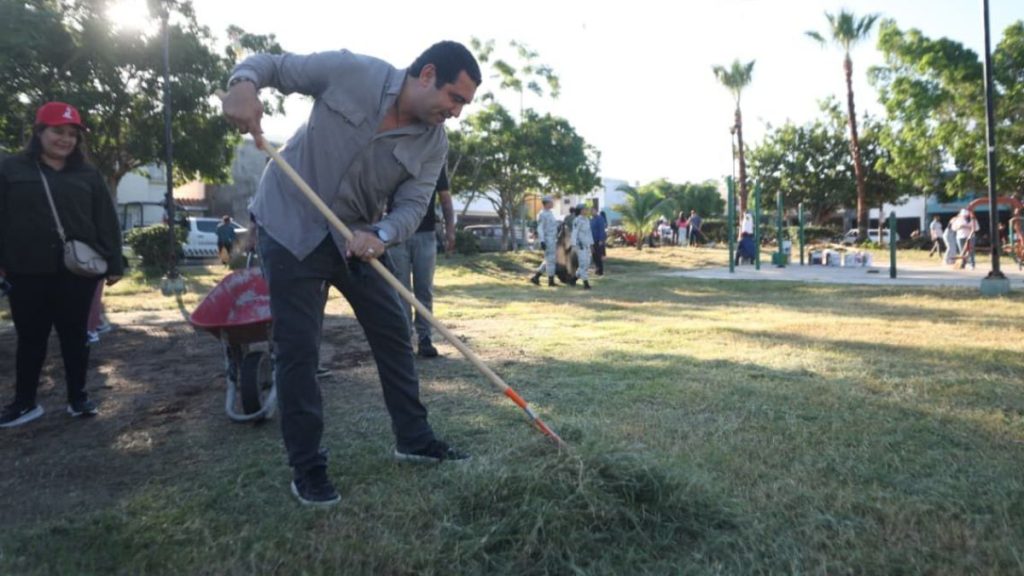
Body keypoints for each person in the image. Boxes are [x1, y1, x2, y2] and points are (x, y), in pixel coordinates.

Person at [222, 41, 481, 507]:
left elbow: (412, 205)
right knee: (298, 349)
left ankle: (414, 439)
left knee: (393, 330)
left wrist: (380, 234)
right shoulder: (350, 71)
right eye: (455, 98)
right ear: (426, 74)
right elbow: (272, 66)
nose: (457, 113)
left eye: (463, 104)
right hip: (289, 225)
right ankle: (308, 468)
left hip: (355, 239)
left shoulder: (433, 143)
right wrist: (242, 85)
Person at [0, 102, 123, 428]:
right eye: (58, 131)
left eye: (72, 134)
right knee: (30, 337)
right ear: (39, 132)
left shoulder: (89, 174)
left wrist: (114, 261)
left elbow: (106, 219)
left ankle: (78, 398)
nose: (65, 139)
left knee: (75, 336)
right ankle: (25, 403)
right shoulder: (11, 170)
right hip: (26, 269)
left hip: (76, 271)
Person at [387, 168, 455, 358]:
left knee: (424, 289)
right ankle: (404, 339)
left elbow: (445, 199)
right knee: (400, 290)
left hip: (426, 234)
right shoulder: (394, 158)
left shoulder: (433, 162)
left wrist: (450, 229)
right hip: (397, 234)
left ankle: (425, 339)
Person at [529, 195, 559, 286]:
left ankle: (536, 277)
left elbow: (553, 226)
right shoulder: (542, 214)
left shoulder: (550, 213)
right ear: (546, 203)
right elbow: (540, 228)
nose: (552, 203)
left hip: (553, 238)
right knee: (551, 260)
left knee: (548, 260)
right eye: (551, 202)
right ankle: (550, 281)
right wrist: (542, 241)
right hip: (547, 239)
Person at [572, 203, 594, 290]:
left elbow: (589, 233)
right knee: (583, 264)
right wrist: (575, 244)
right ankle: (586, 284)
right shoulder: (577, 220)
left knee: (587, 264)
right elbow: (574, 233)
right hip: (580, 245)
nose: (586, 210)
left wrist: (591, 244)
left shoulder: (587, 220)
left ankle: (574, 279)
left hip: (587, 245)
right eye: (585, 209)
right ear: (580, 210)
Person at [591, 209, 607, 276]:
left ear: (596, 211)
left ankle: (600, 271)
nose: (592, 212)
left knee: (598, 255)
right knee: (594, 256)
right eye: (591, 211)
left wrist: (601, 240)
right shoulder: (592, 220)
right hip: (592, 240)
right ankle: (597, 269)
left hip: (598, 240)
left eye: (593, 211)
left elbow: (601, 230)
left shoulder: (600, 219)